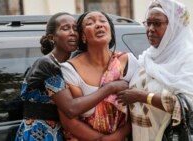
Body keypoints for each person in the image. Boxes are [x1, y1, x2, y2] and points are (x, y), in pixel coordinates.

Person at [15, 12, 128, 141]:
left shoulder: (69, 66)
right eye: (65, 28)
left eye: (75, 28)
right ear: (52, 38)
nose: (73, 32)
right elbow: (71, 108)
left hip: (58, 132)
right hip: (39, 133)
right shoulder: (46, 64)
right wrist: (111, 87)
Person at [116, 0, 193, 141]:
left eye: (157, 24)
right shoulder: (148, 57)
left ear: (174, 27)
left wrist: (142, 96)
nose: (150, 29)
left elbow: (191, 107)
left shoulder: (190, 59)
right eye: (148, 23)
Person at [60, 11, 139, 141]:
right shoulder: (70, 69)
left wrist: (118, 136)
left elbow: (140, 107)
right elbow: (70, 122)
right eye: (90, 23)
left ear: (110, 31)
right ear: (83, 36)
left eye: (103, 21)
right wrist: (102, 139)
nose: (99, 25)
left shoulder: (128, 61)